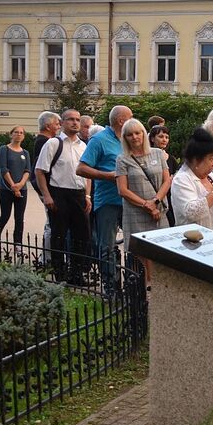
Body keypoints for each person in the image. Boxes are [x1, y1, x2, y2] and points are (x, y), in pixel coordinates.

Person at [78, 105, 133, 294]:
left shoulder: (129, 139)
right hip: (108, 201)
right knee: (107, 245)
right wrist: (109, 175)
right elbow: (81, 169)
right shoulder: (99, 140)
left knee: (134, 243)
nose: (133, 121)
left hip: (130, 200)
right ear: (121, 121)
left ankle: (132, 282)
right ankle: (111, 286)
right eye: (130, 117)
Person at [36, 109, 90, 284]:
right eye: (70, 119)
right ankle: (59, 274)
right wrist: (47, 195)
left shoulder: (83, 146)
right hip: (59, 193)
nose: (75, 123)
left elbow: (87, 173)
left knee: (81, 236)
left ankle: (77, 274)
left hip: (79, 195)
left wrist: (88, 196)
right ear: (63, 123)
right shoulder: (53, 143)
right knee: (58, 235)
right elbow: (39, 171)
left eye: (77, 119)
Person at [116, 118, 171, 288]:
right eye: (129, 134)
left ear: (143, 134)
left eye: (137, 133)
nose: (134, 137)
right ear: (125, 138)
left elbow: (167, 181)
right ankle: (144, 289)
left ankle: (158, 287)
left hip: (158, 209)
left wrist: (155, 201)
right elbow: (123, 190)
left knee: (160, 250)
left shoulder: (157, 153)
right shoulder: (122, 159)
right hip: (136, 211)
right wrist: (146, 205)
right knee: (140, 253)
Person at [171, 128, 213, 228]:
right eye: (211, 158)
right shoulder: (181, 179)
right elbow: (191, 213)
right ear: (196, 160)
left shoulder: (210, 176)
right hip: (191, 239)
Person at [0, 126, 32, 259]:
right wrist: (13, 186)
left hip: (22, 189)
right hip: (6, 188)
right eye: (16, 132)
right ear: (11, 134)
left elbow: (28, 170)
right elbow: (3, 169)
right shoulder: (4, 149)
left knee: (19, 218)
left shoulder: (25, 153)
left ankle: (18, 243)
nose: (19, 135)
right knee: (5, 215)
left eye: (21, 133)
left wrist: (21, 184)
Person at [32, 111, 61, 261]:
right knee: (51, 223)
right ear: (48, 126)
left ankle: (48, 257)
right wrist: (46, 193)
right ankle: (47, 258)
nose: (58, 127)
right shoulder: (44, 142)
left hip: (48, 189)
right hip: (48, 189)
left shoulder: (43, 140)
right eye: (56, 124)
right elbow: (40, 170)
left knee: (51, 223)